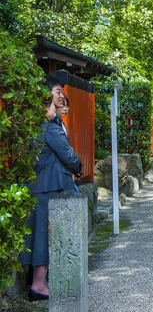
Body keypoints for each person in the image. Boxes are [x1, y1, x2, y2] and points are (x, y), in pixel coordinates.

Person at [20, 91, 82, 300]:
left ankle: (40, 281)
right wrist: (78, 166)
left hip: (37, 186)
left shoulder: (31, 128)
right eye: (54, 104)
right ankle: (38, 284)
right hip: (48, 187)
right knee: (43, 237)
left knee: (39, 235)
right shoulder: (50, 129)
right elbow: (68, 155)